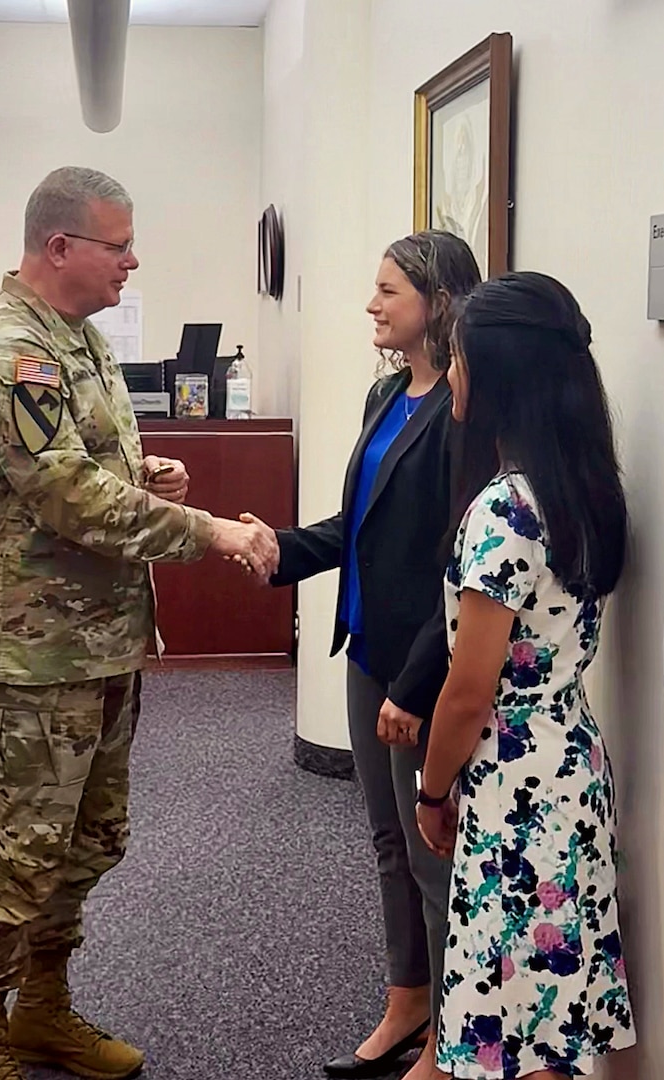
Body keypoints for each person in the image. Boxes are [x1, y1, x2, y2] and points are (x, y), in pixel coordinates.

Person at [0, 165, 278, 1080]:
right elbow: (60, 491)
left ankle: (43, 1010)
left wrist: (148, 473)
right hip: (34, 647)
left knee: (89, 839)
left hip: (101, 636)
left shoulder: (73, 338)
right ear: (61, 248)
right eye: (117, 244)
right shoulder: (7, 345)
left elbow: (84, 464)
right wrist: (205, 528)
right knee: (17, 851)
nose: (133, 260)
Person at [252, 231, 481, 1078]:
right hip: (366, 650)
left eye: (388, 290)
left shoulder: (463, 408)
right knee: (386, 841)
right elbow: (357, 527)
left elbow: (459, 567)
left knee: (431, 856)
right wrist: (276, 547)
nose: (371, 305)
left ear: (438, 301)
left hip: (421, 665)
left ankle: (449, 1036)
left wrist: (420, 684)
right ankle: (406, 1000)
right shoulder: (386, 395)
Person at [416, 272, 636, 1078]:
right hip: (571, 758)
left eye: (461, 359)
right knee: (550, 999)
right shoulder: (584, 484)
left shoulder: (504, 510)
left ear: (498, 373)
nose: (453, 376)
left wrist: (430, 790)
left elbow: (469, 690)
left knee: (517, 1016)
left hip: (511, 776)